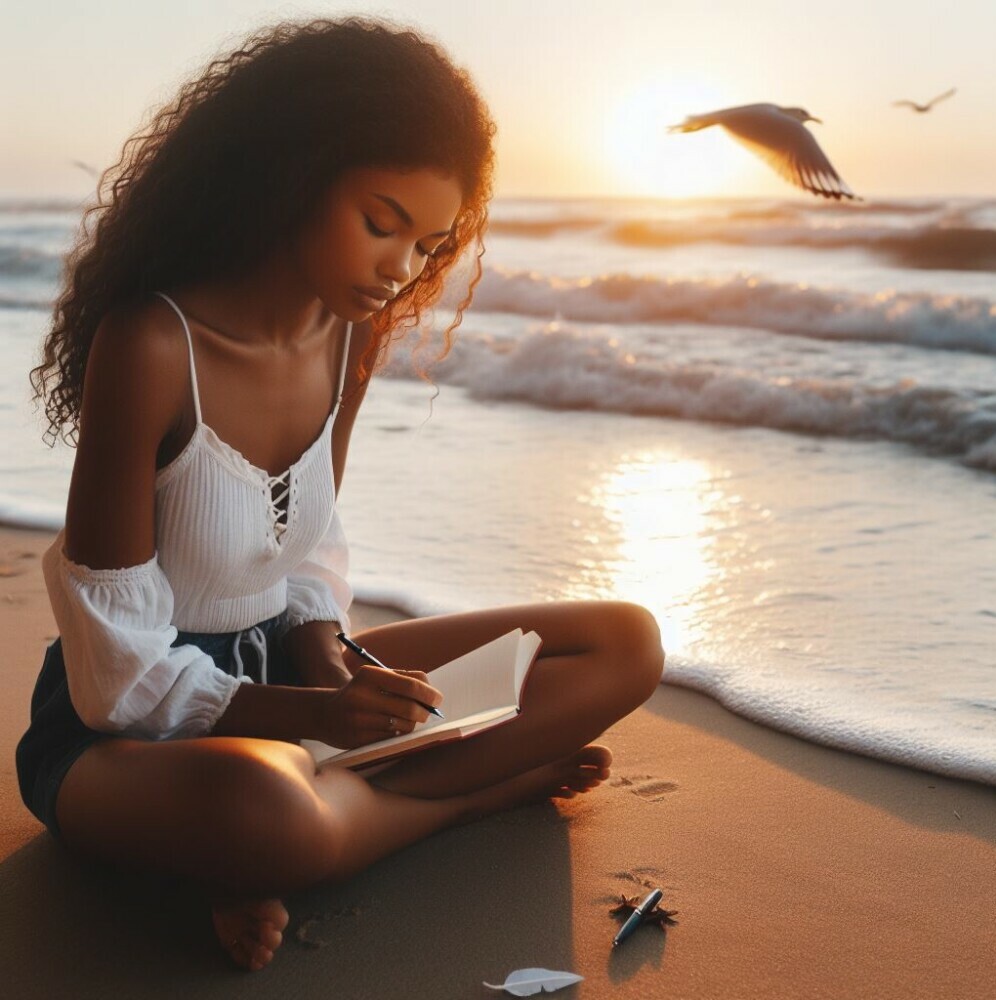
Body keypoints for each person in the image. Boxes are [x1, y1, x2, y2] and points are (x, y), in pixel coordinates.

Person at [17, 17, 665, 973]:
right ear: (292, 173)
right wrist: (320, 719)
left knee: (623, 642)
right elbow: (115, 678)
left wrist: (335, 665)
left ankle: (314, 826)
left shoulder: (351, 337)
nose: (400, 269)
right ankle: (469, 798)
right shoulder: (152, 347)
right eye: (381, 222)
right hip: (127, 736)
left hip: (285, 682)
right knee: (265, 808)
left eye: (429, 243)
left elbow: (307, 559)